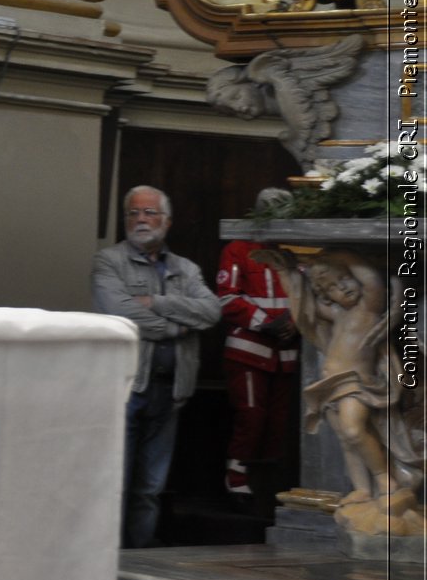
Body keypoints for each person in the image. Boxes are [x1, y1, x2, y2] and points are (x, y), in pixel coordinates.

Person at [259, 248, 425, 535]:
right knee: (347, 442)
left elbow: (370, 278)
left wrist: (339, 254)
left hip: (357, 382)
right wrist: (288, 274)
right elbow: (304, 309)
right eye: (332, 288)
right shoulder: (336, 312)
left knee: (353, 430)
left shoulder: (370, 306)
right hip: (330, 384)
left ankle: (386, 480)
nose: (341, 289)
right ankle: (362, 489)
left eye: (345, 280)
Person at [92, 186, 222, 548]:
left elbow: (212, 311)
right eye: (133, 213)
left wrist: (155, 301)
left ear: (167, 221)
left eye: (149, 213)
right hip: (126, 387)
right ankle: (109, 558)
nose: (140, 220)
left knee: (150, 486)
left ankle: (140, 557)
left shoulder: (186, 268)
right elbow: (120, 311)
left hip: (171, 390)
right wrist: (177, 326)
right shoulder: (108, 262)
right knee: (115, 480)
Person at [216, 188, 300, 499]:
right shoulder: (238, 250)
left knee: (280, 421)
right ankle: (236, 478)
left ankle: (268, 483)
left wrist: (296, 321)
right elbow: (227, 298)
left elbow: (309, 294)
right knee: (251, 416)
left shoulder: (296, 251)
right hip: (248, 351)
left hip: (287, 351)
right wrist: (264, 322)